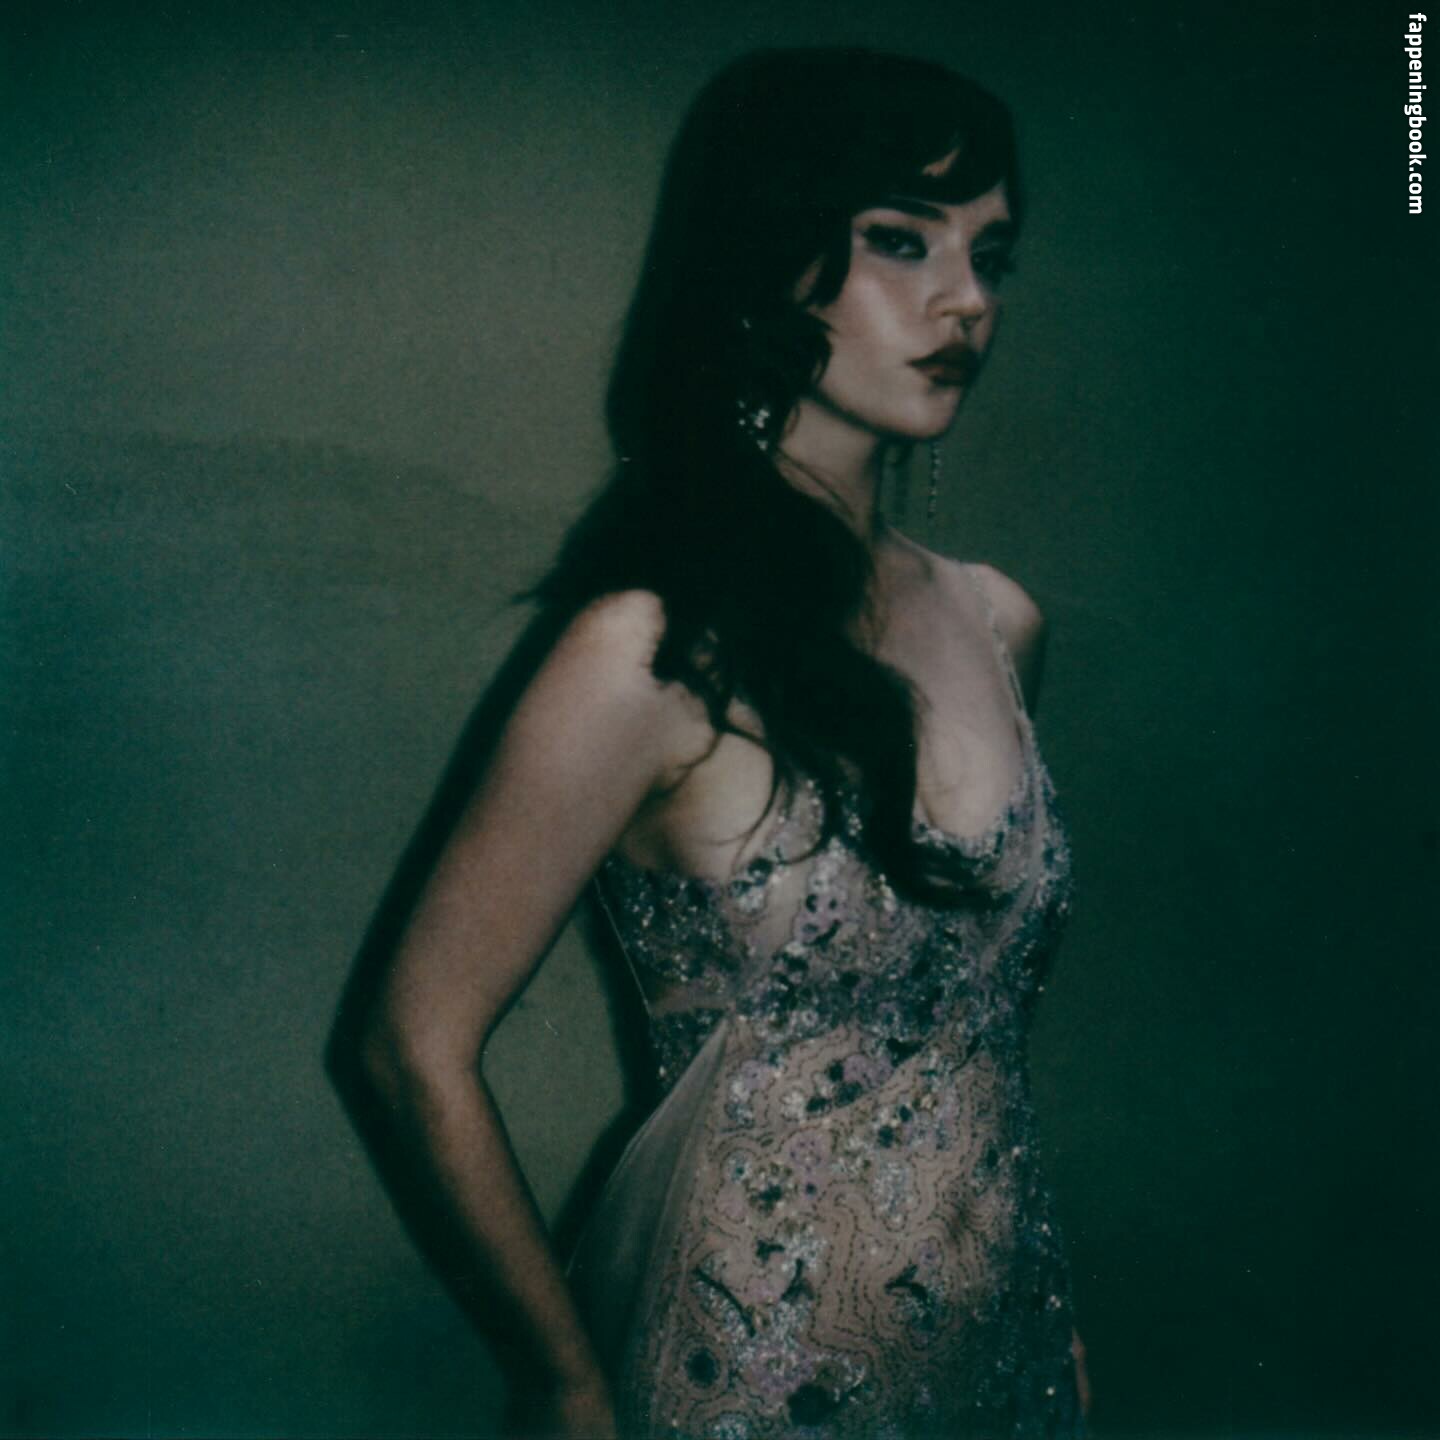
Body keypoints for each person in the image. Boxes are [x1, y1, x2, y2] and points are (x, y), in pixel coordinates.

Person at [344, 46, 1093, 1438]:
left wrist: (1051, 1328)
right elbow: (407, 1042)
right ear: (766, 254)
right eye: (901, 239)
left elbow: (971, 1038)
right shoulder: (652, 649)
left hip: (1005, 1351)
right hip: (737, 1377)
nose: (968, 300)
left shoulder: (1002, 623)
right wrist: (563, 1383)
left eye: (990, 256)